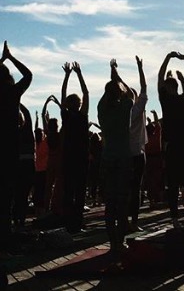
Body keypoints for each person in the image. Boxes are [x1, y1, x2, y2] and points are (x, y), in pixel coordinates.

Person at [0, 41, 32, 257]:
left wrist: (0, 60)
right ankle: (3, 245)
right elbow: (28, 75)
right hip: (9, 150)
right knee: (5, 201)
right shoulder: (13, 93)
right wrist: (10, 58)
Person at [157, 55, 184, 231]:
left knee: (173, 186)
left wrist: (167, 58)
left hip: (173, 147)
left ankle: (175, 219)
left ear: (167, 87)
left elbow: (159, 78)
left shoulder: (166, 101)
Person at [97, 59, 133, 257]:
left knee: (110, 203)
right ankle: (120, 241)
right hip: (123, 159)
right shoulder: (125, 106)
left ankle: (113, 243)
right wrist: (116, 72)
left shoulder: (102, 108)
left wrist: (112, 74)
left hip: (108, 158)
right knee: (122, 201)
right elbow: (130, 91)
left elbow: (112, 91)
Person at [60, 61, 90, 233]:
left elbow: (63, 94)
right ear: (77, 104)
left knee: (70, 191)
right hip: (80, 156)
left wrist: (67, 75)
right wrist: (78, 74)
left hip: (70, 156)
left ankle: (70, 222)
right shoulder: (82, 115)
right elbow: (86, 93)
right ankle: (77, 222)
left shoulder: (66, 115)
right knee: (78, 192)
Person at [126, 56, 148, 233]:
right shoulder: (137, 108)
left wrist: (115, 74)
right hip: (138, 152)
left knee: (124, 188)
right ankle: (133, 220)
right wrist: (140, 68)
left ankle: (123, 220)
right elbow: (144, 88)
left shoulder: (121, 111)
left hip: (124, 153)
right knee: (136, 189)